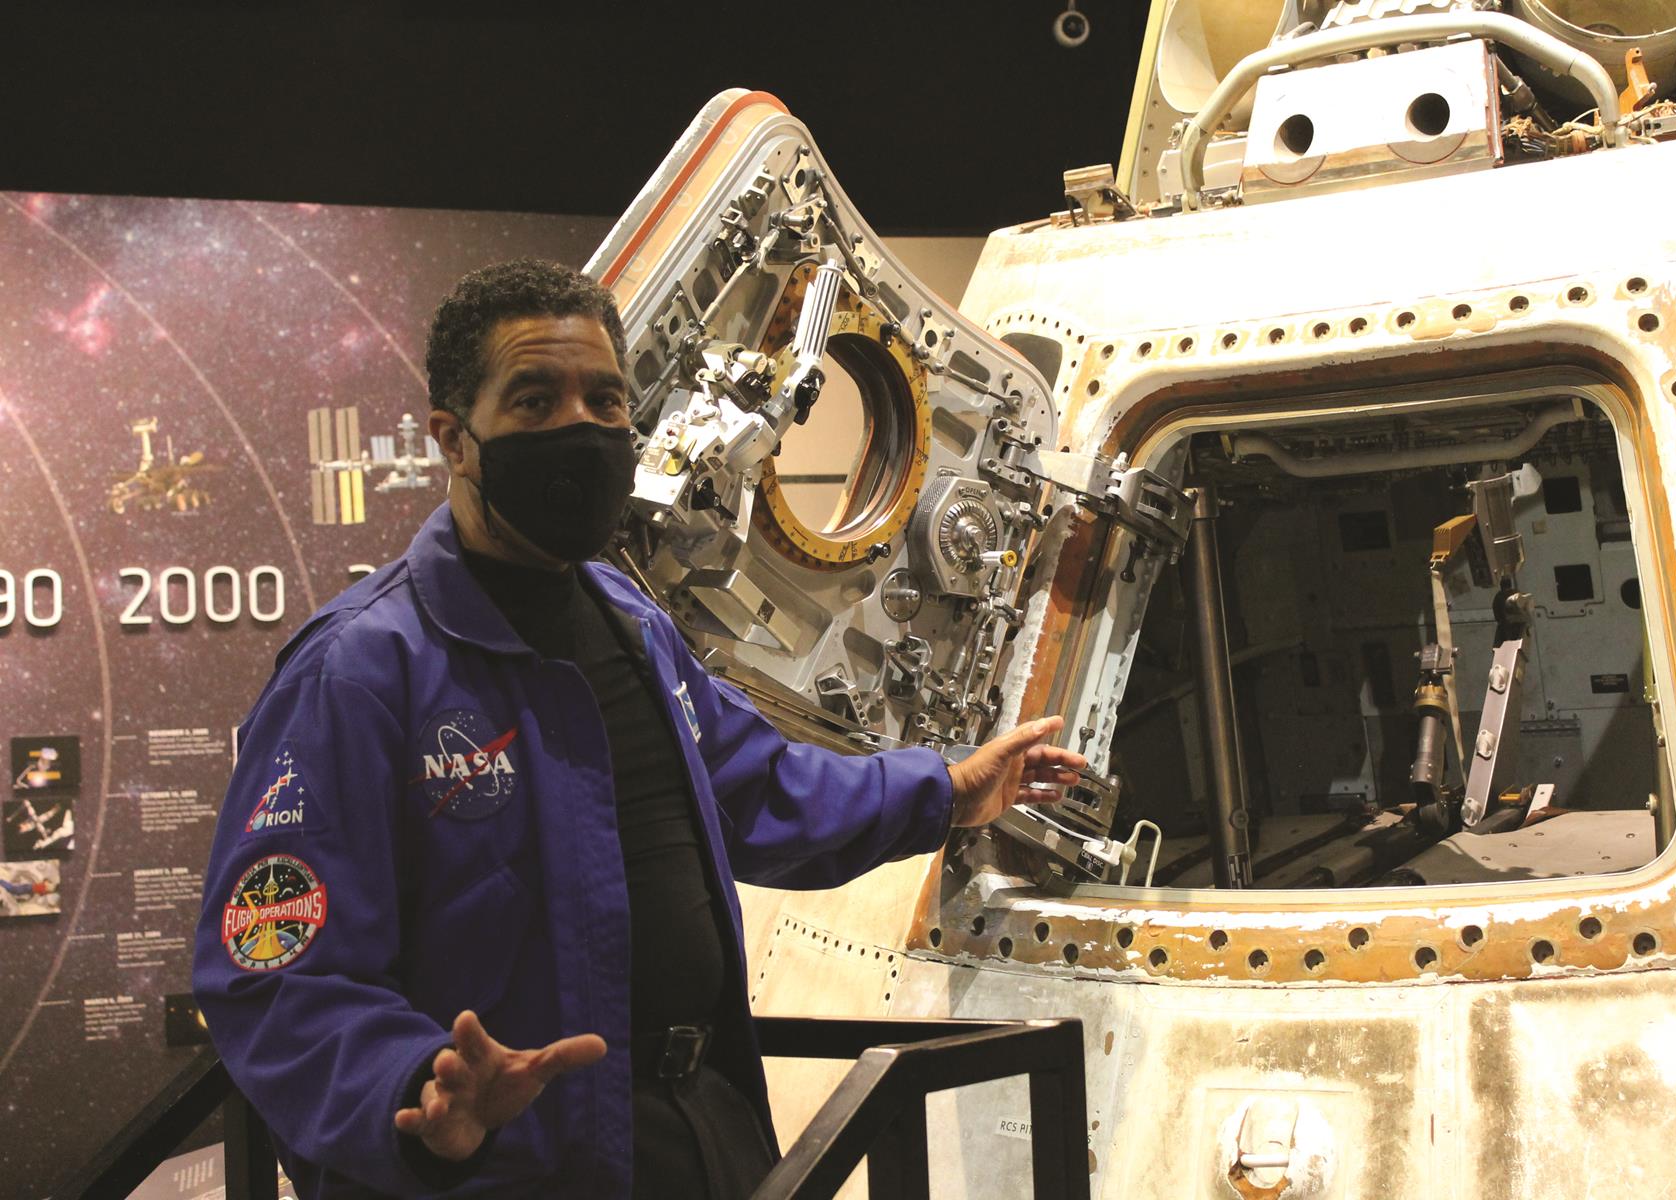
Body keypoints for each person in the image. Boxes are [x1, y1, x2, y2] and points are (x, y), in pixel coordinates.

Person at [192, 258, 1084, 1198]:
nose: (579, 428)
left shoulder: (626, 616)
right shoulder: (362, 672)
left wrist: (943, 792)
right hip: (509, 1171)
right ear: (454, 440)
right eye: (534, 401)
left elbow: (758, 790)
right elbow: (271, 972)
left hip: (699, 1129)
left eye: (604, 400)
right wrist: (412, 1089)